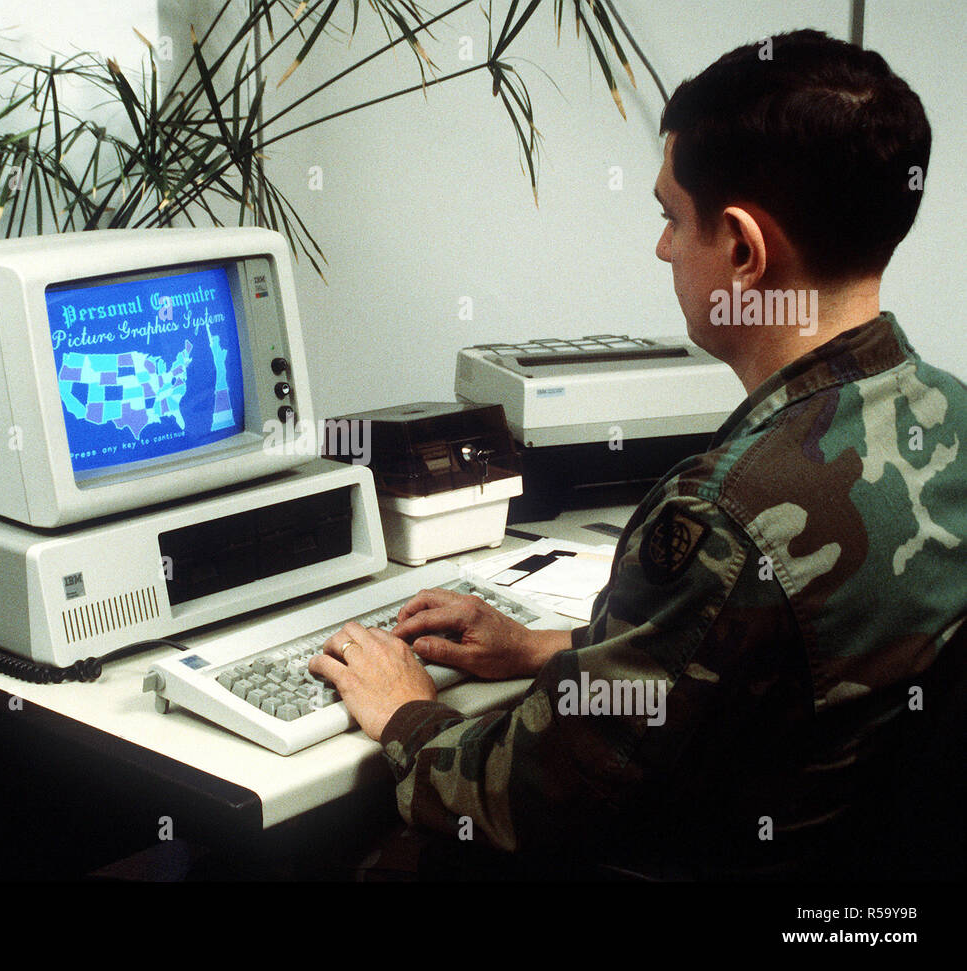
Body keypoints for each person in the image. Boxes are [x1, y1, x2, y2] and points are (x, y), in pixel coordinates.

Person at [309, 29, 967, 879]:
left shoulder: (726, 515)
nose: (662, 248)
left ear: (741, 248)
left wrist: (404, 711)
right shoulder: (948, 416)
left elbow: (520, 799)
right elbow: (757, 660)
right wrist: (539, 647)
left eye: (671, 215)